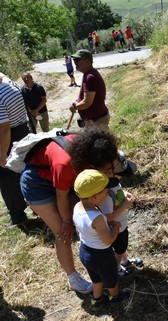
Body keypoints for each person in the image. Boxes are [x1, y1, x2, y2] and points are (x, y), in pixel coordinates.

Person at [20, 126, 119, 294]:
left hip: (66, 181)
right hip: (37, 186)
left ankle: (107, 262)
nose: (110, 173)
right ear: (92, 165)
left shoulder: (96, 148)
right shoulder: (65, 163)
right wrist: (66, 221)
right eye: (106, 170)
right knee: (63, 232)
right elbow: (61, 195)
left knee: (86, 219)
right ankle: (73, 278)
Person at [73, 169, 129, 306]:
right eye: (104, 192)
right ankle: (115, 296)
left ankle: (97, 299)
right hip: (101, 255)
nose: (107, 193)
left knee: (96, 278)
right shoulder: (97, 217)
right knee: (111, 278)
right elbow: (108, 240)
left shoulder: (77, 207)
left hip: (85, 251)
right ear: (94, 197)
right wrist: (115, 229)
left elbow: (82, 229)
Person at [98, 151, 142, 277]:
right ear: (109, 173)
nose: (121, 177)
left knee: (121, 248)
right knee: (119, 248)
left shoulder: (113, 184)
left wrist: (124, 193)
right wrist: (125, 205)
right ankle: (116, 268)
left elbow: (117, 190)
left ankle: (125, 261)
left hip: (121, 224)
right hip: (116, 227)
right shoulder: (105, 193)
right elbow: (108, 217)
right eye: (119, 174)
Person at [0, 73, 31, 226]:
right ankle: (37, 204)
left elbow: (4, 129)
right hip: (23, 132)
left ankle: (18, 216)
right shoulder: (10, 84)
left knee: (6, 178)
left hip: (10, 137)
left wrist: (2, 154)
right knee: (26, 169)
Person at [69, 49, 110, 129]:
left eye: (77, 60)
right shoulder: (88, 74)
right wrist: (76, 102)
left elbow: (87, 102)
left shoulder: (90, 77)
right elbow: (85, 98)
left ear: (87, 61)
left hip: (97, 121)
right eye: (74, 60)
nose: (75, 63)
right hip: (94, 120)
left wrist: (75, 107)